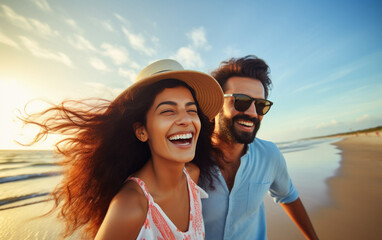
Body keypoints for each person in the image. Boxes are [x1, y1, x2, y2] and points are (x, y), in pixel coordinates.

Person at [21, 59, 223, 239]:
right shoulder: (130, 207)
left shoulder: (192, 177)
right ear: (142, 131)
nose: (186, 120)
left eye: (191, 110)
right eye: (168, 111)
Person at [199, 55, 319, 240]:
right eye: (241, 101)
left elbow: (288, 196)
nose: (253, 113)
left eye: (261, 105)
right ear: (216, 103)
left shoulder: (269, 155)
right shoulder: (189, 158)